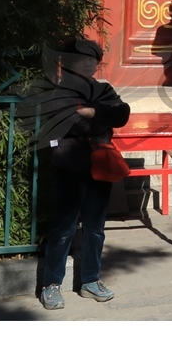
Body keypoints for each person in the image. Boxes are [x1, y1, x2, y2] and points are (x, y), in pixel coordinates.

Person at [29, 37, 131, 310]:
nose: (89, 64)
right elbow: (73, 125)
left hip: (100, 165)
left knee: (96, 228)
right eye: (83, 59)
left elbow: (123, 113)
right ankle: (51, 284)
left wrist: (93, 110)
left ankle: (90, 281)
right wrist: (102, 121)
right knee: (64, 228)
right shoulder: (59, 92)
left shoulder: (103, 89)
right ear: (69, 63)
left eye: (93, 60)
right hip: (70, 165)